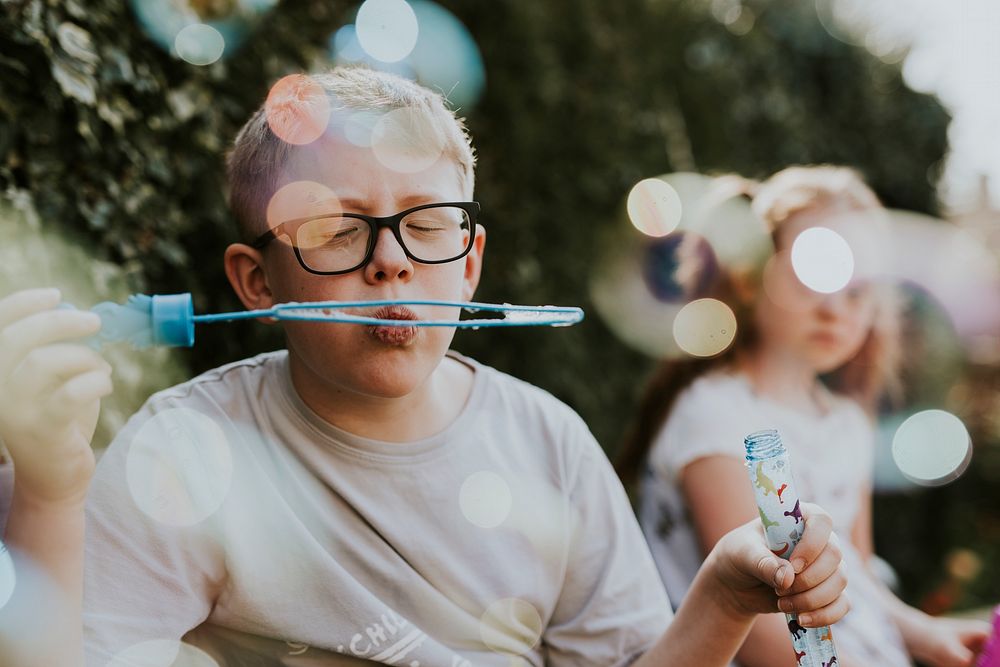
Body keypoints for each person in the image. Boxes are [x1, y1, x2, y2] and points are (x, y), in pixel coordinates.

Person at [0, 67, 849, 667]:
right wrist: (48, 490)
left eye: (428, 222)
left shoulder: (548, 444)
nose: (391, 263)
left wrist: (725, 595)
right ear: (257, 281)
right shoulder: (187, 451)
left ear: (471, 263)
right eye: (335, 228)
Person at [616, 166, 991, 667]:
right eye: (816, 276)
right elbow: (757, 629)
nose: (836, 308)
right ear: (751, 277)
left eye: (856, 290)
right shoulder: (716, 416)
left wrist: (925, 634)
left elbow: (859, 575)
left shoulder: (845, 422)